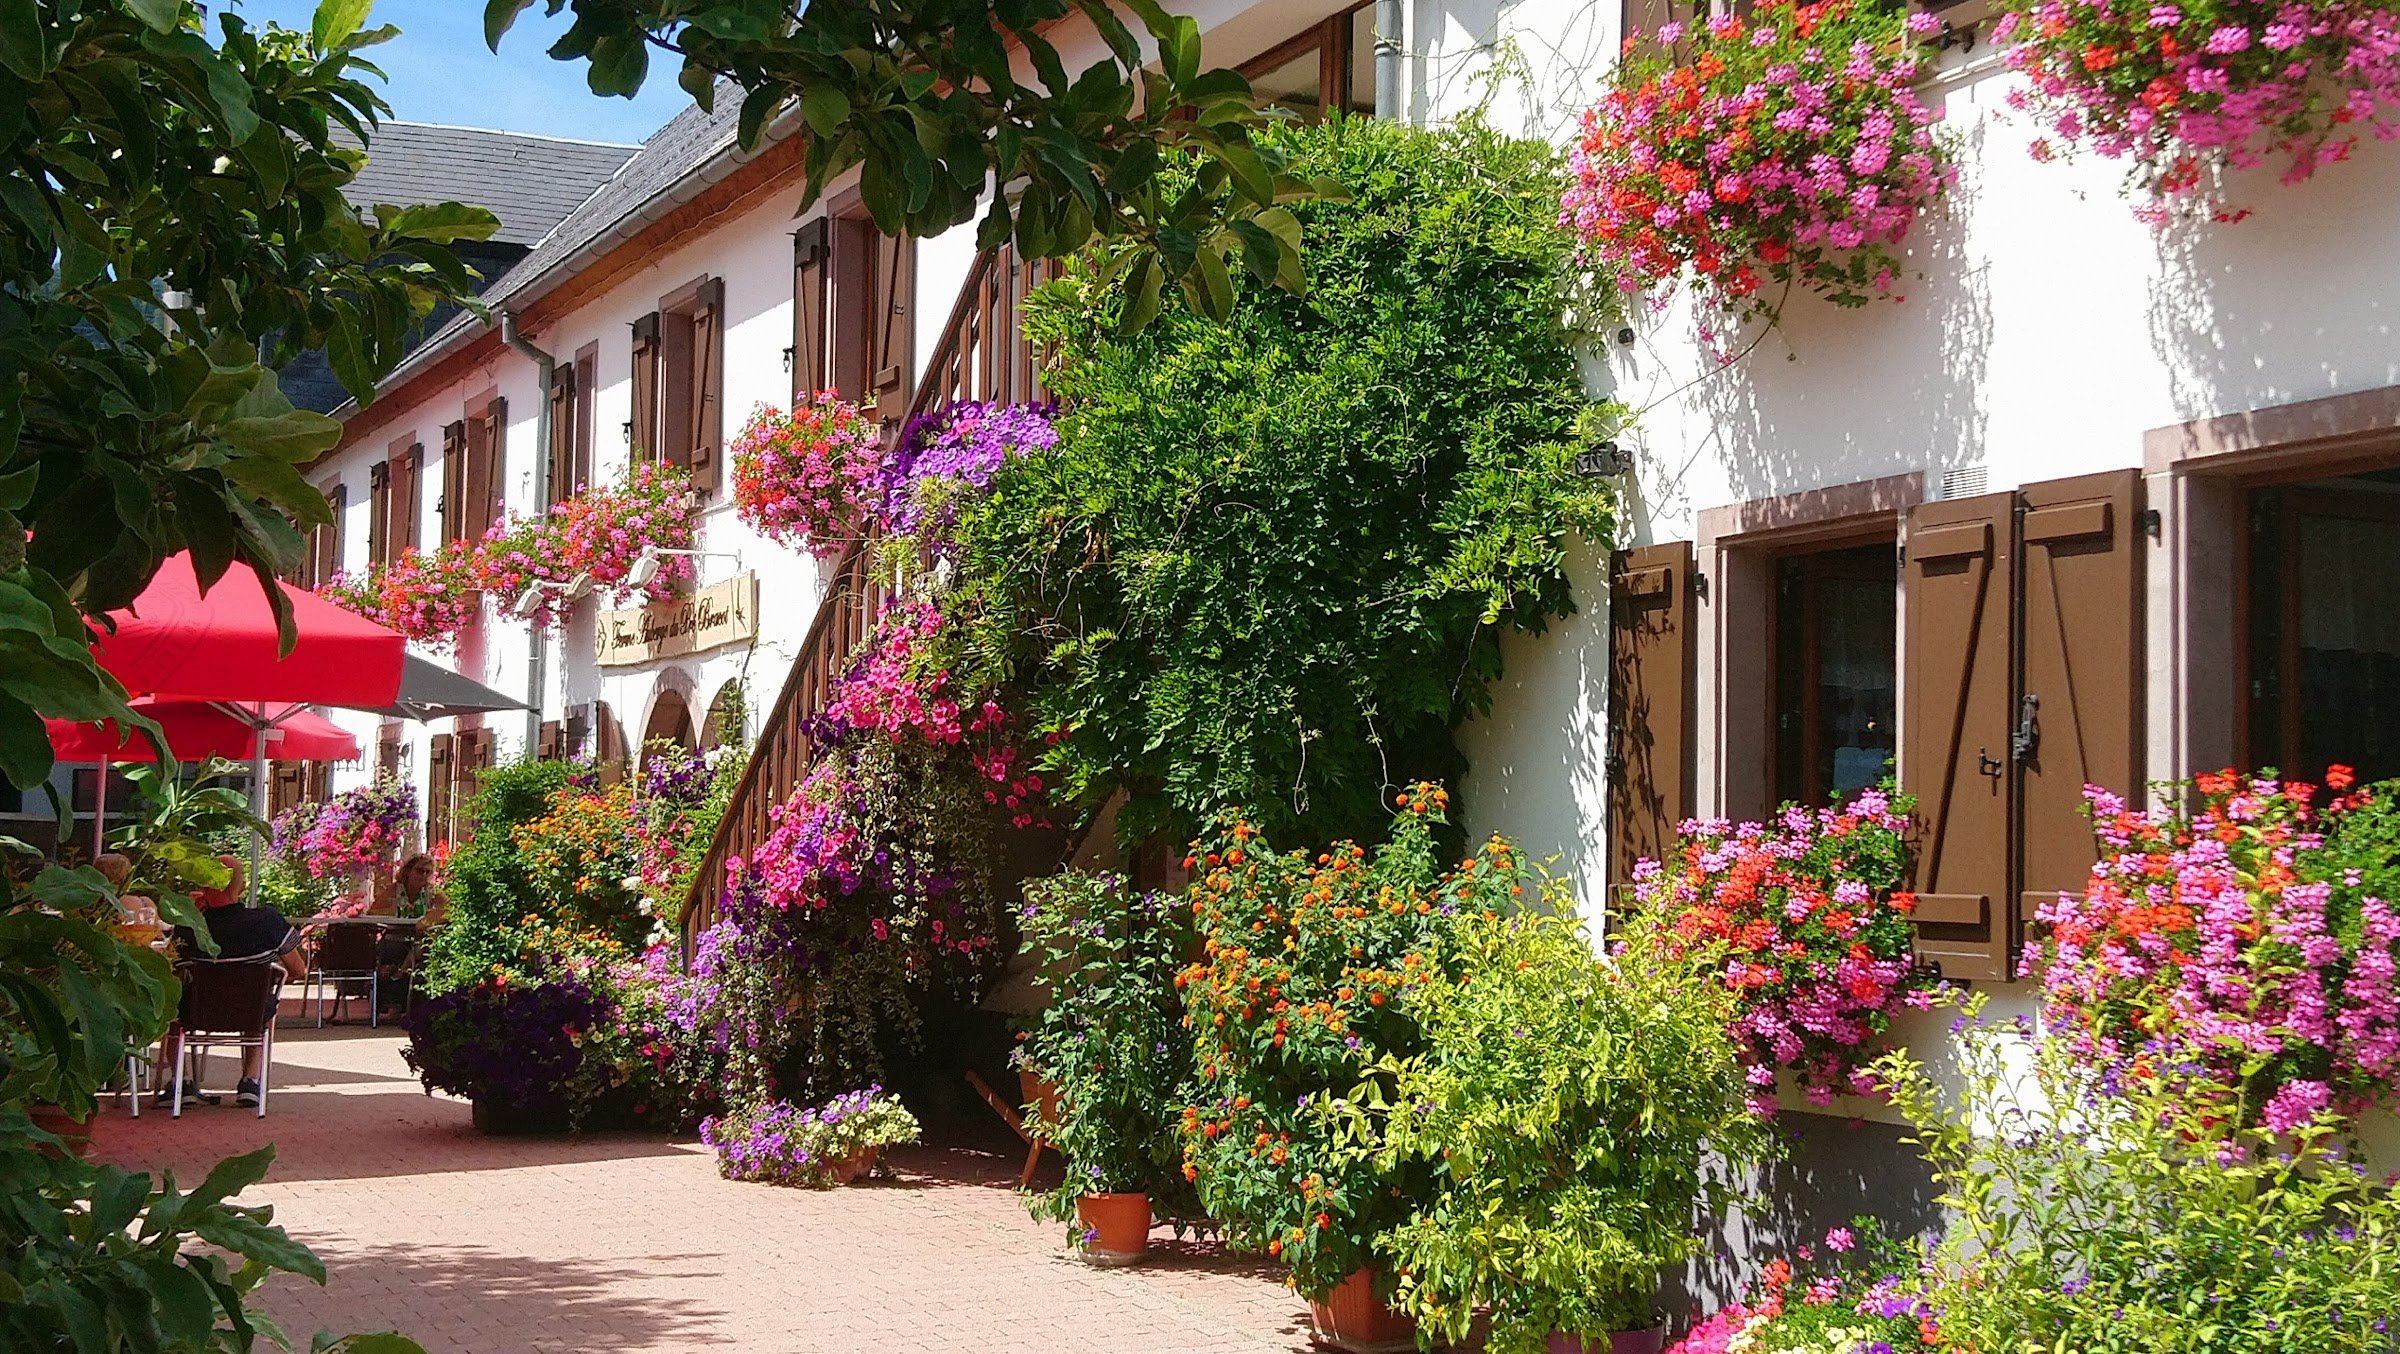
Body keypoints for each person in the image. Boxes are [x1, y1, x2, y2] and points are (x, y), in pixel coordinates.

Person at [166, 855, 304, 1108]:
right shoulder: (267, 921)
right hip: (251, 1011)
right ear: (242, 887)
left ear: (204, 887)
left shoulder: (190, 927)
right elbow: (298, 970)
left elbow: (170, 968)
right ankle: (250, 1081)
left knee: (172, 1010)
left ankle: (181, 1082)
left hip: (196, 1011)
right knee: (258, 997)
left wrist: (192, 913)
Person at [369, 852, 446, 1013]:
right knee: (398, 949)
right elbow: (373, 912)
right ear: (408, 871)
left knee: (423, 946)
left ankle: (399, 975)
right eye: (419, 870)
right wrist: (393, 911)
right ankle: (398, 980)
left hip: (419, 936)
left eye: (427, 872)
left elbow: (449, 909)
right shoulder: (394, 890)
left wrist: (429, 918)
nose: (423, 875)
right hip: (395, 936)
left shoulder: (432, 892)